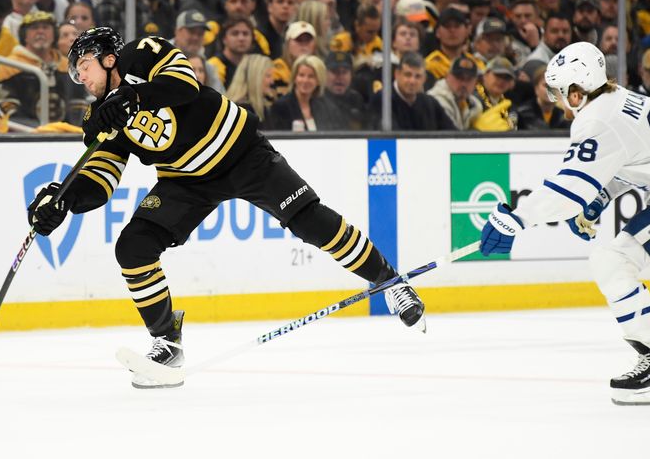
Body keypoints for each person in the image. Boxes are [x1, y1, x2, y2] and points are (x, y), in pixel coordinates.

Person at [28, 28, 425, 387]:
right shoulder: (98, 118)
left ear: (109, 57)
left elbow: (183, 85)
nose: (81, 78)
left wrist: (133, 96)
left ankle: (391, 282)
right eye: (76, 73)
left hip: (241, 152)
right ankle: (167, 342)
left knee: (311, 222)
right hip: (185, 181)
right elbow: (101, 177)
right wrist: (64, 201)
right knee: (133, 247)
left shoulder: (144, 52)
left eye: (84, 65)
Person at [478, 41, 650, 405]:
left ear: (577, 91)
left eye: (559, 93)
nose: (558, 100)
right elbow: (642, 161)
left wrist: (516, 218)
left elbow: (568, 187)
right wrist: (599, 200)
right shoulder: (619, 98)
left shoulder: (596, 118)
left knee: (612, 259)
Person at [371, 52, 456, 131]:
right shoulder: (382, 100)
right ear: (397, 74)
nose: (412, 81)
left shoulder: (430, 104)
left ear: (424, 79)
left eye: (418, 76)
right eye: (408, 75)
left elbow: (454, 135)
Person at [269, 54, 349, 131]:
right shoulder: (281, 107)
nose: (305, 80)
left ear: (318, 80)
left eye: (311, 76)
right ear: (295, 78)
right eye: (301, 75)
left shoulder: (326, 107)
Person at [427, 56, 482, 130]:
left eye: (469, 79)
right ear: (447, 76)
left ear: (475, 82)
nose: (464, 84)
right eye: (459, 78)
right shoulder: (435, 100)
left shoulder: (474, 104)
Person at [225, 53, 276, 129]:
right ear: (255, 78)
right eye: (268, 76)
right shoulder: (241, 113)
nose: (272, 81)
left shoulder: (263, 107)